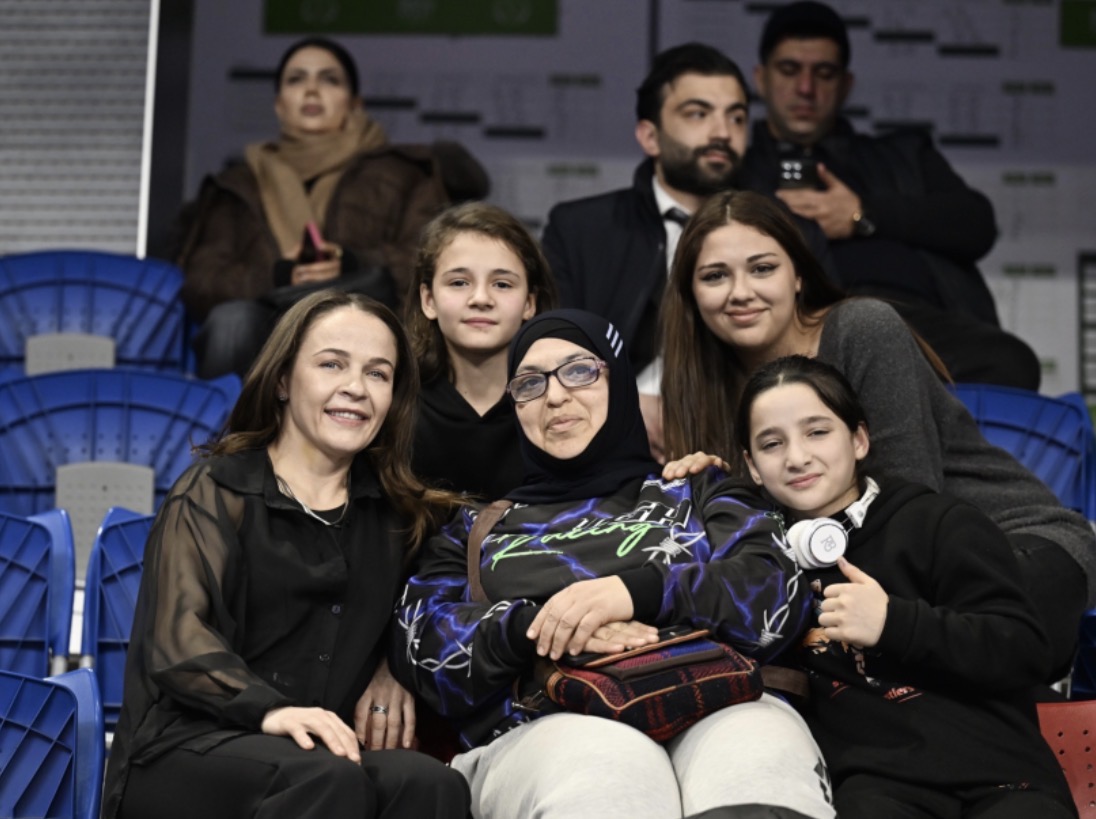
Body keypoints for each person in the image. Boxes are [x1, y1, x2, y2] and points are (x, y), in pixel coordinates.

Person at [391, 308, 835, 819]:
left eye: (579, 371)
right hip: (545, 721)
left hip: (722, 694)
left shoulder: (698, 488)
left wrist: (635, 592)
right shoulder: (477, 529)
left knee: (755, 760)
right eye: (530, 383)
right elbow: (421, 644)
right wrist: (544, 626)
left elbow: (776, 590)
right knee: (609, 770)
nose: (555, 396)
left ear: (618, 378)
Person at [659, 189, 1094, 681]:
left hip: (1011, 546)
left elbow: (909, 513)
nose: (740, 292)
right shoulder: (701, 391)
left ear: (798, 275)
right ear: (690, 293)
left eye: (762, 268)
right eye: (715, 276)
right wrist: (712, 490)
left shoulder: (862, 329)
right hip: (874, 579)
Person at [101, 290, 470, 819]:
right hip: (189, 747)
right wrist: (270, 711)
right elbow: (178, 642)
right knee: (326, 778)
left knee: (431, 784)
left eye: (377, 373)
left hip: (319, 752)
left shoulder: (399, 514)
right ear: (281, 380)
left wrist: (394, 666)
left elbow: (449, 576)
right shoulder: (215, 490)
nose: (355, 388)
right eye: (331, 364)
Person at [733, 354, 1076, 818]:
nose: (797, 458)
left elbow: (1024, 649)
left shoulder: (937, 522)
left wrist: (893, 622)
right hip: (878, 789)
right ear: (753, 466)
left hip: (1001, 775)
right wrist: (698, 482)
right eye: (772, 444)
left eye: (817, 432)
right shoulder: (756, 559)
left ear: (858, 439)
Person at [540, 42, 834, 460]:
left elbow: (824, 354)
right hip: (605, 439)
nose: (722, 132)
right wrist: (619, 401)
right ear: (650, 136)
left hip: (750, 435)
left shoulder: (791, 233)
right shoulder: (581, 229)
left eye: (736, 117)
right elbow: (548, 351)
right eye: (698, 114)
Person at [739, 1, 1040, 389]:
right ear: (761, 79)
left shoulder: (902, 155)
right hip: (806, 329)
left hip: (920, 325)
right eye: (789, 70)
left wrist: (863, 214)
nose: (806, 88)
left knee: (1010, 362)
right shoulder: (739, 173)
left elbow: (976, 223)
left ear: (846, 85)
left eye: (824, 73)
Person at [176, 36, 489, 379]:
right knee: (232, 321)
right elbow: (202, 284)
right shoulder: (237, 185)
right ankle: (235, 417)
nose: (311, 90)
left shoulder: (403, 172)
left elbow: (432, 262)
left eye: (329, 80)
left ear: (354, 103)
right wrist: (280, 275)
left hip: (369, 319)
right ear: (279, 104)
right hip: (267, 332)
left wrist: (352, 262)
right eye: (297, 79)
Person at [406, 201, 558, 499]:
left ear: (530, 303)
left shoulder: (560, 402)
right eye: (459, 282)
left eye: (502, 284)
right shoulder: (397, 403)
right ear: (428, 300)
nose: (480, 298)